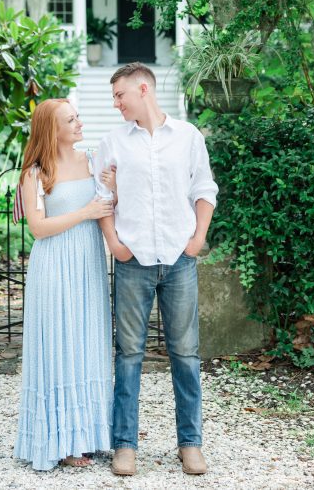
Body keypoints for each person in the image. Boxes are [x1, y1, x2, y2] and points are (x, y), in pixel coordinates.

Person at [94, 63, 218, 478]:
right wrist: (115, 244)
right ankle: (125, 446)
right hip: (133, 262)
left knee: (185, 353)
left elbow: (204, 189)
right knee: (128, 354)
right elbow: (102, 197)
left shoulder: (188, 137)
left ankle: (190, 445)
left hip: (180, 260)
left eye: (119, 96)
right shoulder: (114, 141)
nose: (116, 104)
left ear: (142, 89)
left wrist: (197, 238)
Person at [14, 97, 115, 471]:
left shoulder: (91, 160)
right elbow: (38, 229)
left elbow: (107, 203)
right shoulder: (35, 173)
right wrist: (85, 212)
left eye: (78, 117)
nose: (79, 124)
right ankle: (61, 439)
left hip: (88, 260)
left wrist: (110, 188)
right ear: (51, 130)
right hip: (55, 264)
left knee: (88, 340)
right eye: (71, 120)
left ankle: (91, 432)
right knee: (59, 342)